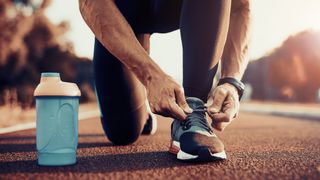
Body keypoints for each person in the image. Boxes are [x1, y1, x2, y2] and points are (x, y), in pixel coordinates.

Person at [79, 0, 251, 162]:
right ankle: (143, 107)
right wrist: (150, 75)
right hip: (123, 12)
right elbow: (90, 3)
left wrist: (232, 81)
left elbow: (241, 6)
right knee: (122, 132)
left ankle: (193, 110)